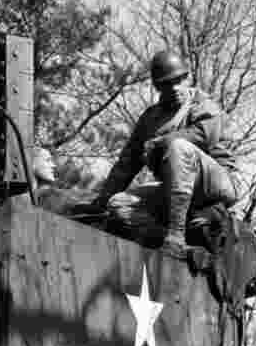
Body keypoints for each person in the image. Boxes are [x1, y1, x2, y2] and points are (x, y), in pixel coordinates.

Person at [89, 50, 241, 257]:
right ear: (158, 87)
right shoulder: (151, 118)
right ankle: (175, 241)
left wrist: (161, 141)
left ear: (187, 78)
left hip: (215, 185)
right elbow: (127, 163)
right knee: (118, 204)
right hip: (174, 189)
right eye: (167, 83)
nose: (175, 88)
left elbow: (203, 136)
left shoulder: (203, 105)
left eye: (179, 80)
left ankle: (176, 236)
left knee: (178, 147)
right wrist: (101, 200)